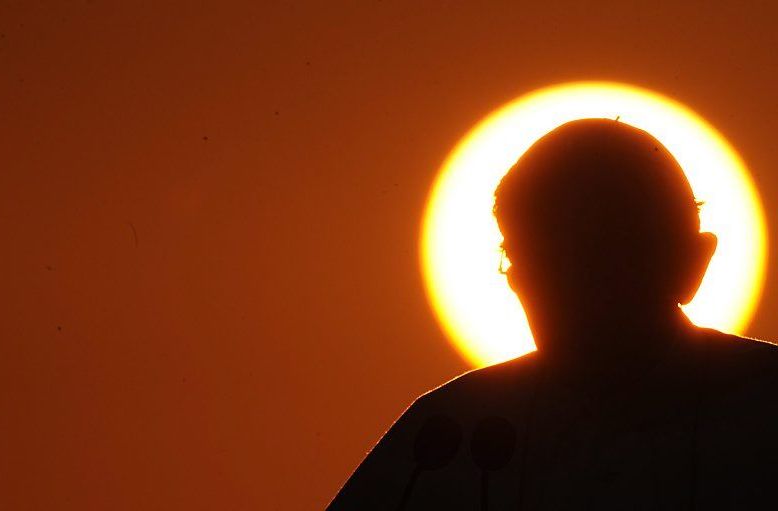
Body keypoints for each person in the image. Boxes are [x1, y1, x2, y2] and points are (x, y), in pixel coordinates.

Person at [328, 119, 778, 510]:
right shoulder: (449, 436)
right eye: (537, 258)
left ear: (690, 263)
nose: (569, 287)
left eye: (599, 254)